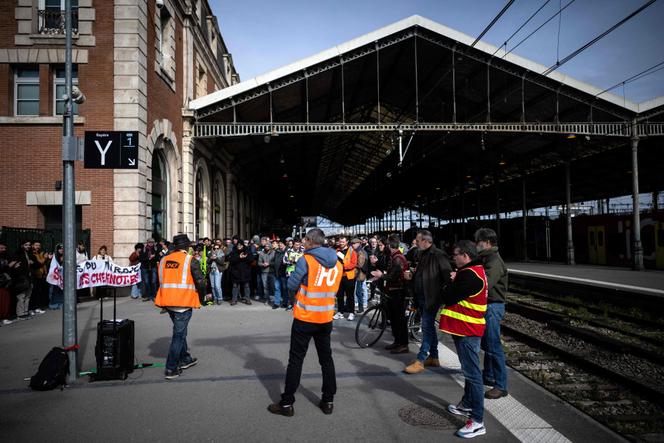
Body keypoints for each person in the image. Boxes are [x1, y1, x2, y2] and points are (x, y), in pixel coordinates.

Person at [267, 228, 343, 417]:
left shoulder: (306, 260)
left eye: (305, 240)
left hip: (305, 317)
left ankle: (287, 404)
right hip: (325, 317)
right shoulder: (337, 262)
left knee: (296, 360)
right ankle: (328, 400)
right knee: (326, 359)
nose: (303, 242)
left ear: (310, 241)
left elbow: (292, 285)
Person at [441, 240, 488, 439]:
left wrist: (449, 282)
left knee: (473, 375)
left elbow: (448, 296)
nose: (453, 257)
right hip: (464, 330)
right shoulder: (472, 271)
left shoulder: (469, 275)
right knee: (469, 372)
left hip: (468, 331)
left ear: (466, 256)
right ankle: (467, 404)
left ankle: (477, 421)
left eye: (456, 254)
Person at [154, 234, 204, 380]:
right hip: (183, 302)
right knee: (179, 335)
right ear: (188, 247)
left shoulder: (164, 260)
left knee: (180, 332)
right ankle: (171, 368)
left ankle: (185, 358)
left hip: (168, 302)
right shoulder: (190, 260)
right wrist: (202, 297)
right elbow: (200, 281)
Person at [404, 230, 452, 374]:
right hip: (423, 296)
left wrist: (441, 295)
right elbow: (422, 275)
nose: (416, 243)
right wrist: (412, 276)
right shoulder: (422, 254)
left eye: (418, 241)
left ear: (425, 241)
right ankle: (434, 357)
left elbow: (447, 276)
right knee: (429, 327)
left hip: (432, 297)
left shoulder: (438, 255)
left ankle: (420, 359)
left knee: (426, 327)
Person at [474, 228, 509, 399]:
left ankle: (501, 386)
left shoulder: (494, 261)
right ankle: (488, 375)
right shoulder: (486, 258)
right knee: (488, 344)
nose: (476, 245)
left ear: (487, 243)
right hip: (488, 306)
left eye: (478, 242)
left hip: (493, 307)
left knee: (494, 346)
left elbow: (485, 283)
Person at [371, 234, 410, 354]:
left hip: (398, 292)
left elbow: (393, 276)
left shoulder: (398, 258)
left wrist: (380, 275)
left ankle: (403, 344)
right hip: (393, 292)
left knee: (399, 319)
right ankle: (397, 341)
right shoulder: (394, 256)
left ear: (389, 245)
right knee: (394, 319)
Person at [333, 235, 357, 321]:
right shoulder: (337, 250)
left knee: (350, 296)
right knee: (339, 295)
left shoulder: (352, 251)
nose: (341, 243)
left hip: (349, 277)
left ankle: (351, 312)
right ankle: (340, 312)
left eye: (343, 242)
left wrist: (343, 267)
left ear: (347, 242)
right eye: (340, 242)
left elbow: (353, 264)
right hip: (339, 277)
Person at [228, 241, 253, 306]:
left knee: (246, 286)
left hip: (245, 272)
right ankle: (234, 300)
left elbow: (251, 259)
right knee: (235, 286)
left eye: (241, 245)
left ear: (243, 245)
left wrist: (245, 257)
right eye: (238, 245)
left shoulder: (247, 251)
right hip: (236, 272)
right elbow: (231, 260)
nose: (239, 246)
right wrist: (239, 257)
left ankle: (248, 299)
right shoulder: (233, 252)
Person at [351, 238, 368, 313]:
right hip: (358, 274)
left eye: (354, 244)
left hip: (359, 275)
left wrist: (352, 264)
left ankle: (361, 307)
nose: (352, 245)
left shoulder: (360, 252)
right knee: (358, 291)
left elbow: (360, 264)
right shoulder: (358, 251)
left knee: (358, 292)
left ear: (358, 243)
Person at [258, 241, 276, 306]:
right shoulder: (261, 253)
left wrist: (269, 264)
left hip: (272, 271)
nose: (267, 247)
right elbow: (259, 263)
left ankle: (273, 298)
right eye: (266, 246)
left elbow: (275, 262)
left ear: (270, 247)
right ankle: (267, 299)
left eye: (268, 246)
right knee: (265, 286)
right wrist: (263, 264)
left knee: (273, 286)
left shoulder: (274, 253)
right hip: (264, 271)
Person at [0, 242, 13, 324]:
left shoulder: (5, 256)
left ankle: (4, 317)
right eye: (1, 248)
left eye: (4, 248)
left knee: (4, 300)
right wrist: (8, 266)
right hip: (1, 281)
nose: (3, 250)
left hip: (5, 282)